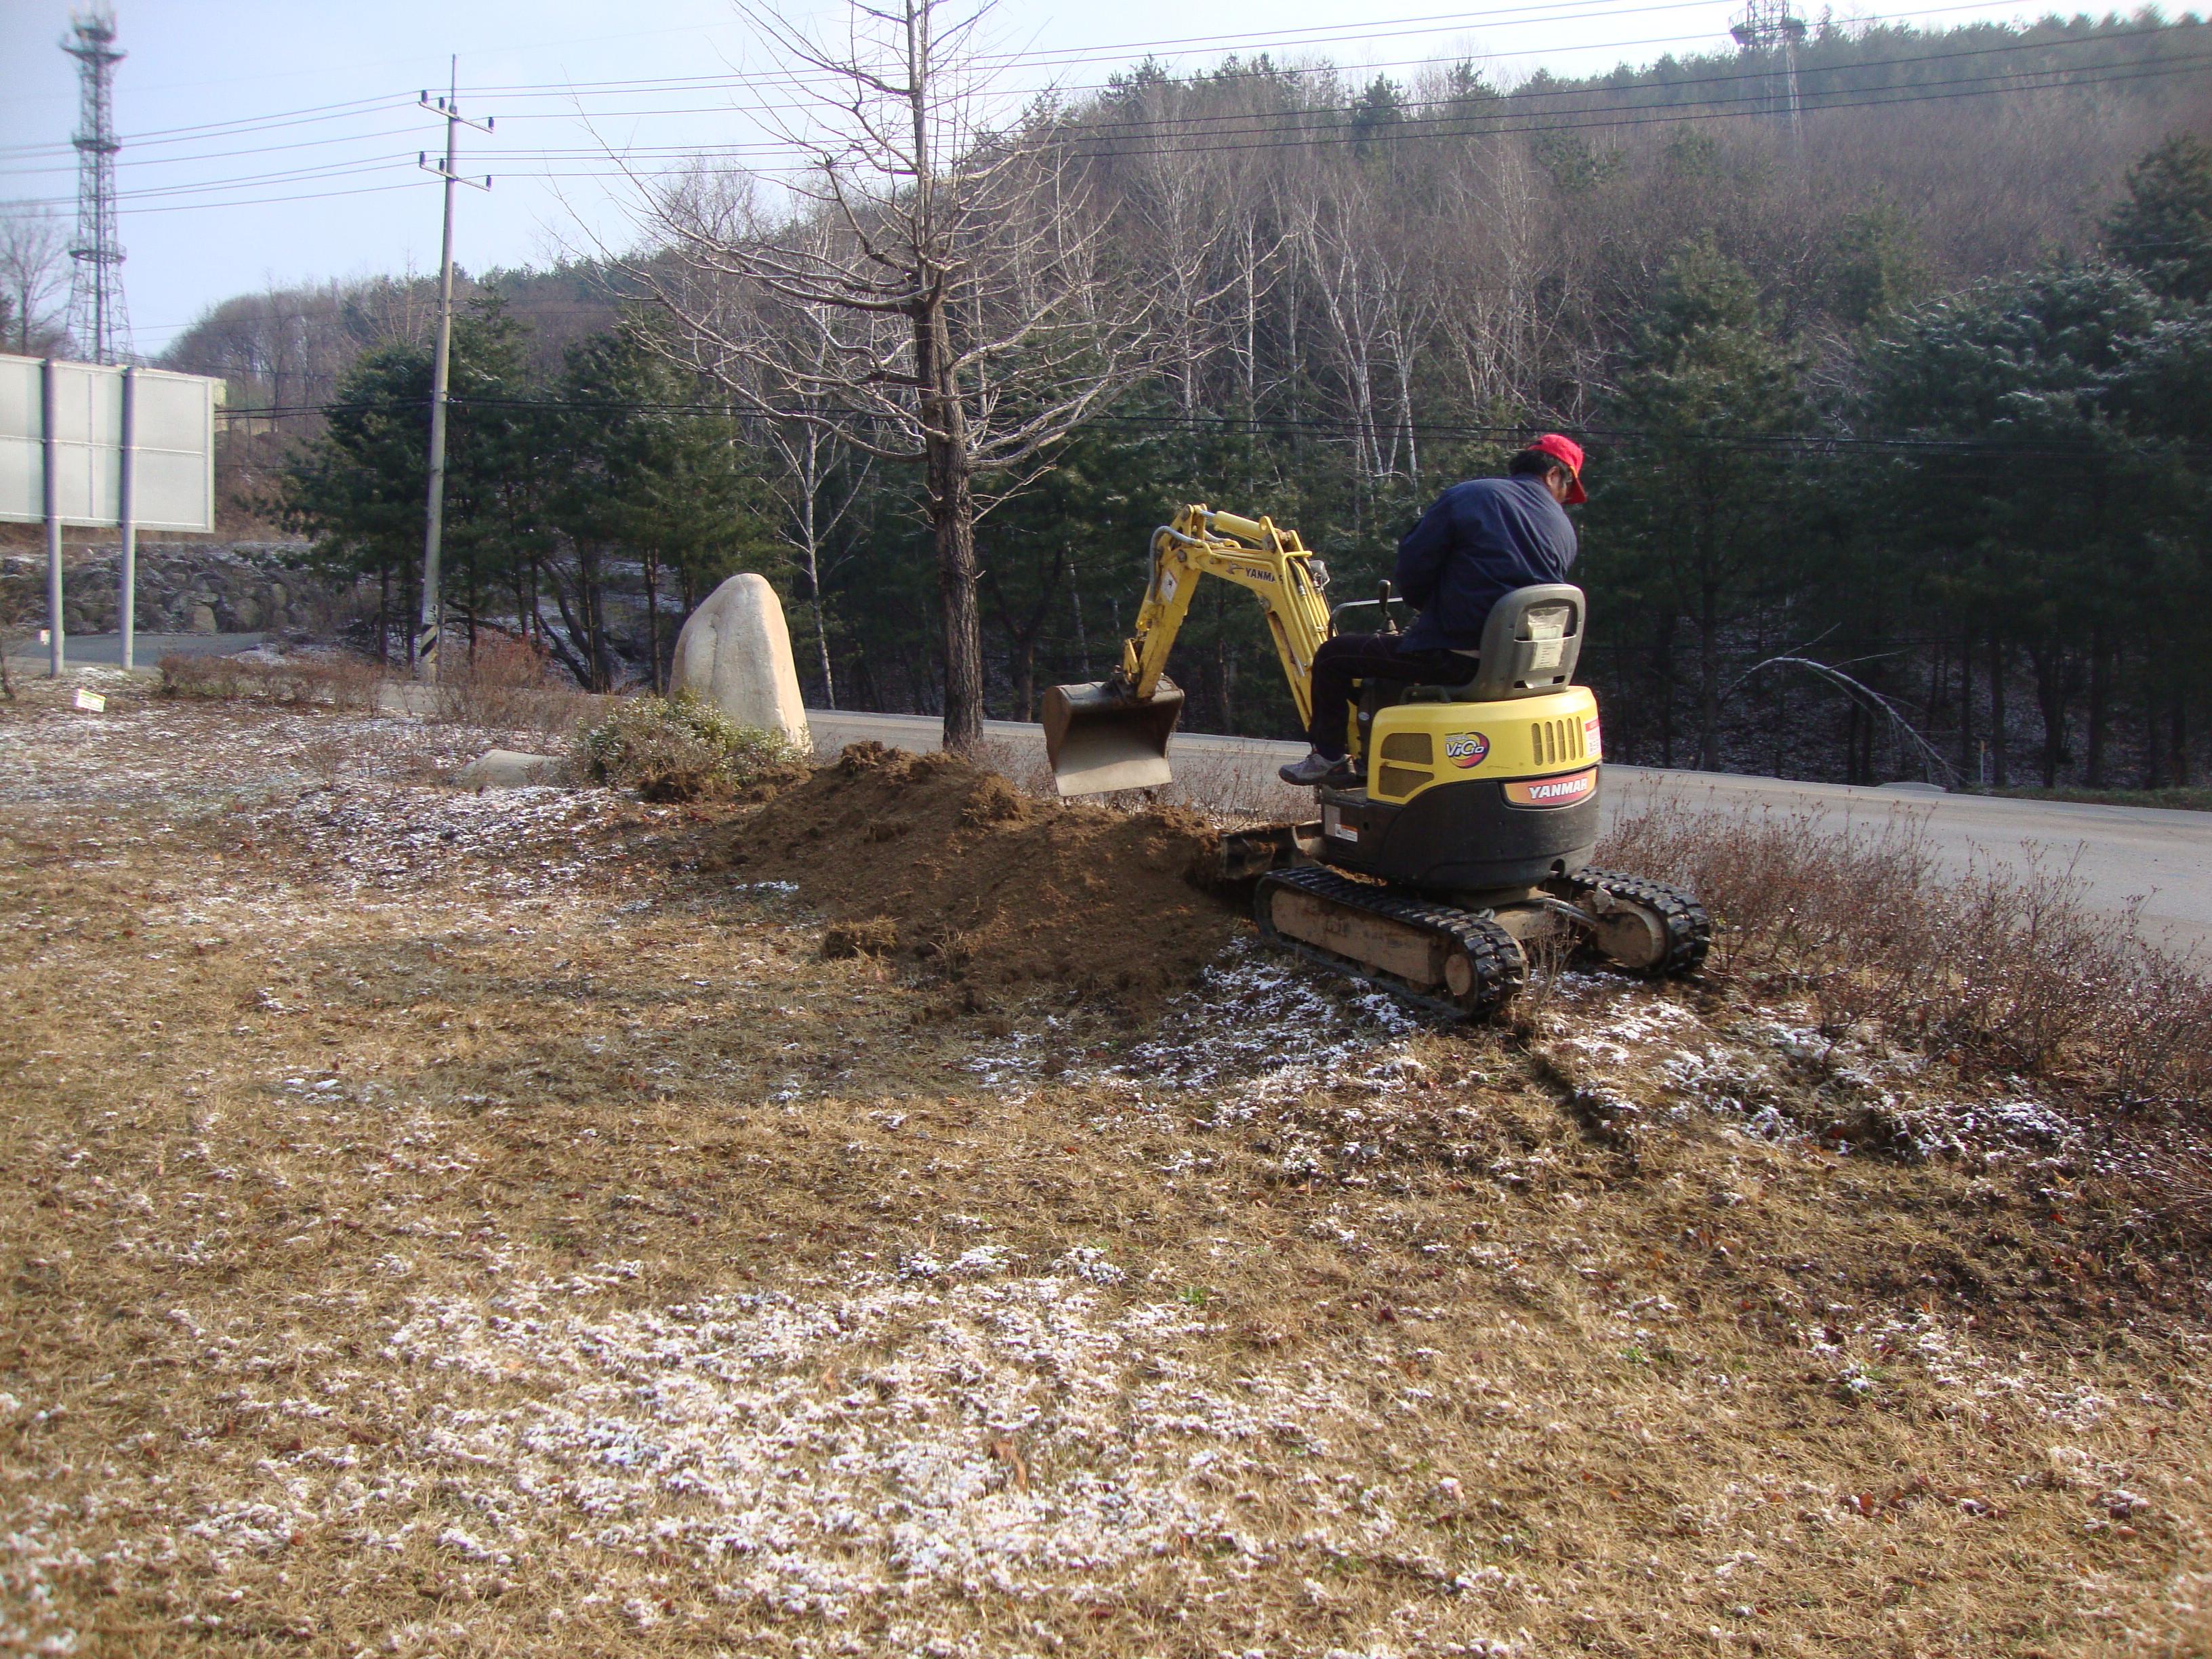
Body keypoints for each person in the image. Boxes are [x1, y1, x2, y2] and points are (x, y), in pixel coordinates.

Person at [1279, 434, 1586, 787]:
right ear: (1553, 476)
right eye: (1569, 489)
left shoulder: (1473, 496)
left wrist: (1428, 610)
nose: (1565, 498)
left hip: (1459, 660)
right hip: (1523, 670)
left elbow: (1413, 569)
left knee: (1334, 656)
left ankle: (1329, 757)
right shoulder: (1564, 529)